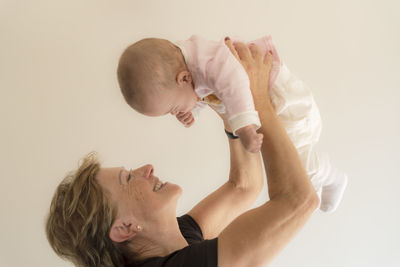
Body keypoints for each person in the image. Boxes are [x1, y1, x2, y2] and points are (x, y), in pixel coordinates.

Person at [46, 41, 319, 267]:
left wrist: (232, 116)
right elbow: (299, 201)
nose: (147, 168)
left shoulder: (175, 241)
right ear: (125, 227)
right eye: (128, 179)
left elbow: (244, 187)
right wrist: (257, 95)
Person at [117, 35, 347, 212]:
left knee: (295, 158)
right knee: (289, 164)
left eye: (173, 109)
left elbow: (234, 83)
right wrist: (194, 111)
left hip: (284, 100)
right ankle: (315, 183)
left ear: (184, 78)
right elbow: (201, 92)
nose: (174, 114)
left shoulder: (209, 60)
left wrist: (244, 126)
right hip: (270, 103)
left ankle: (331, 177)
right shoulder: (182, 67)